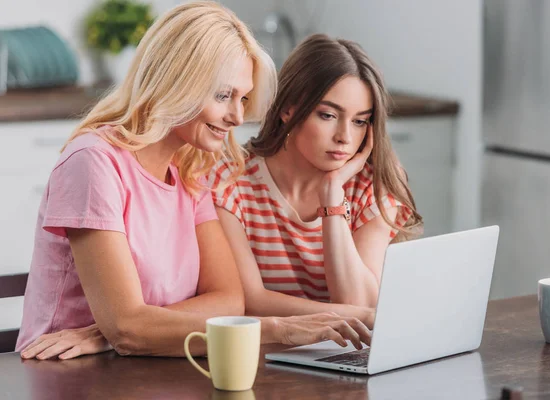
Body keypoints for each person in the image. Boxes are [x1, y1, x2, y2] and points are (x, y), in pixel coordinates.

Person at [17, 2, 371, 361]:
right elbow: (127, 328)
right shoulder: (94, 162)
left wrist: (126, 330)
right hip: (67, 374)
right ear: (178, 83)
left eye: (243, 98)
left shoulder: (190, 172)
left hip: (151, 365)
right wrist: (276, 329)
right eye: (223, 95)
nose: (236, 116)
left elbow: (229, 299)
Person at [208, 34, 422, 319]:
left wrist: (333, 196)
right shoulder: (230, 179)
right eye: (328, 115)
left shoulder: (374, 186)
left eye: (359, 121)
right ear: (288, 108)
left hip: (345, 354)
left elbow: (359, 303)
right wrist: (337, 319)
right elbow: (249, 300)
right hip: (263, 354)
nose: (345, 137)